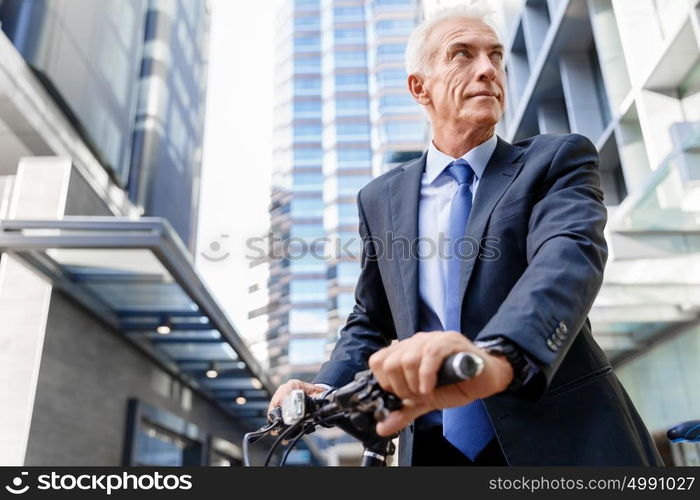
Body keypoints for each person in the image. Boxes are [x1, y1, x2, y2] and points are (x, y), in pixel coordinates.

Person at [269, 3, 663, 466]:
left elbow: (567, 258)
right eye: (462, 55)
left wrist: (500, 358)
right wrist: (327, 386)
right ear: (420, 88)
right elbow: (372, 318)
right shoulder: (380, 198)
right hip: (433, 448)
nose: (488, 70)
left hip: (561, 436)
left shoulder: (556, 160)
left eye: (495, 57)